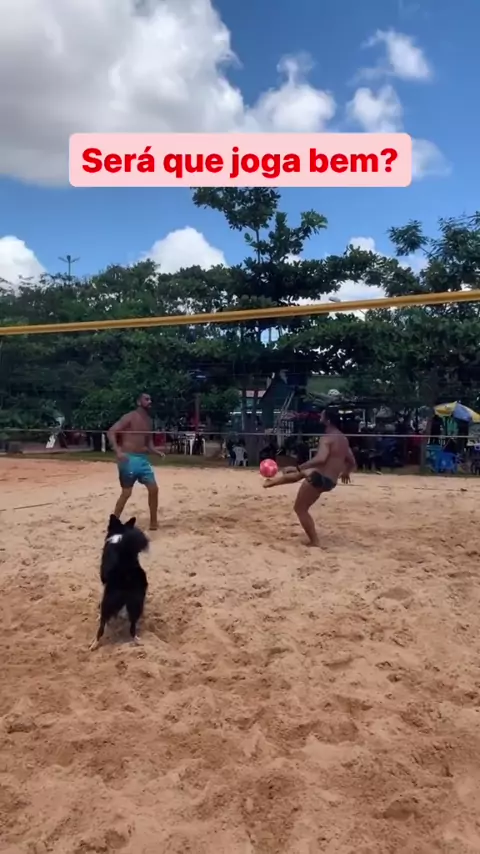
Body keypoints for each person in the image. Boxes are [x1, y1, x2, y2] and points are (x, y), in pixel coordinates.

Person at [263, 407, 356, 547]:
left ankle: (314, 541)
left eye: (322, 416)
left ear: (327, 420)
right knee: (303, 473)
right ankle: (272, 482)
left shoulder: (327, 438)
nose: (319, 418)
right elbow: (352, 461)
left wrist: (298, 467)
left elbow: (321, 458)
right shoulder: (343, 439)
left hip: (319, 479)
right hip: (330, 481)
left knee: (300, 509)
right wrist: (346, 472)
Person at [107, 392, 164, 530]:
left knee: (154, 489)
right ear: (139, 402)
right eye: (146, 399)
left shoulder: (149, 421)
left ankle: (153, 522)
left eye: (150, 399)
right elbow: (111, 431)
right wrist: (118, 451)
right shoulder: (130, 417)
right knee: (126, 493)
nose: (150, 401)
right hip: (128, 458)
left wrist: (156, 452)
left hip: (143, 460)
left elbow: (148, 443)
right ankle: (114, 521)